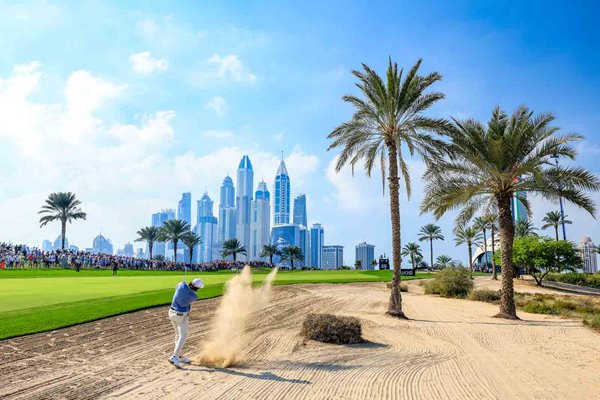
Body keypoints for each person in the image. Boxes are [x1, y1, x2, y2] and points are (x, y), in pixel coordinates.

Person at [168, 278, 204, 368]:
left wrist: (183, 285)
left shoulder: (181, 284)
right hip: (180, 315)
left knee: (177, 334)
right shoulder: (194, 296)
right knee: (183, 335)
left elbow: (177, 286)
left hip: (171, 312)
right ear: (197, 288)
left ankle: (179, 356)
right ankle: (175, 357)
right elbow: (189, 305)